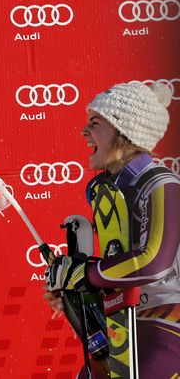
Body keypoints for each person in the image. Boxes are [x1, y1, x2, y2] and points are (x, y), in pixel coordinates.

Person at [43, 82, 179, 377]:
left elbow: (153, 261)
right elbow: (119, 268)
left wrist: (87, 275)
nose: (84, 131)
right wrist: (72, 289)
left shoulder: (161, 183)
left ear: (124, 133)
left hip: (170, 322)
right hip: (126, 323)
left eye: (95, 123)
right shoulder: (108, 190)